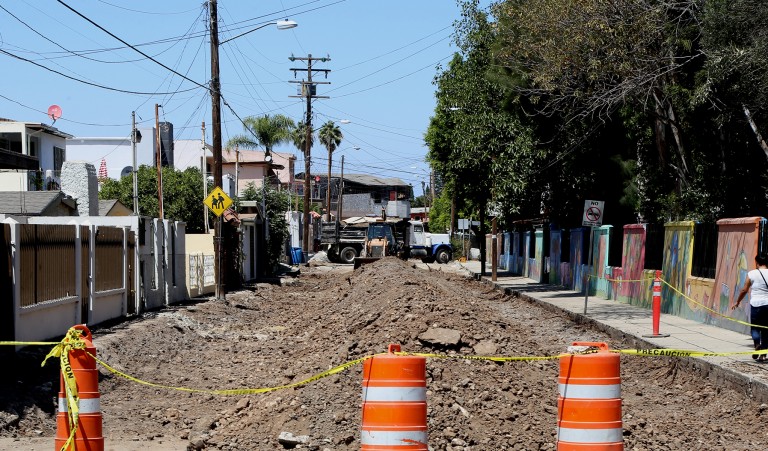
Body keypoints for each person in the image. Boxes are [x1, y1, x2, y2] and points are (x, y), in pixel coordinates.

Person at [733, 253, 768, 361]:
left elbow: (744, 290)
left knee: (755, 328)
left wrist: (737, 302)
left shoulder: (752, 273)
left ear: (757, 262)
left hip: (755, 304)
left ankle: (757, 344)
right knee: (766, 330)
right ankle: (763, 353)